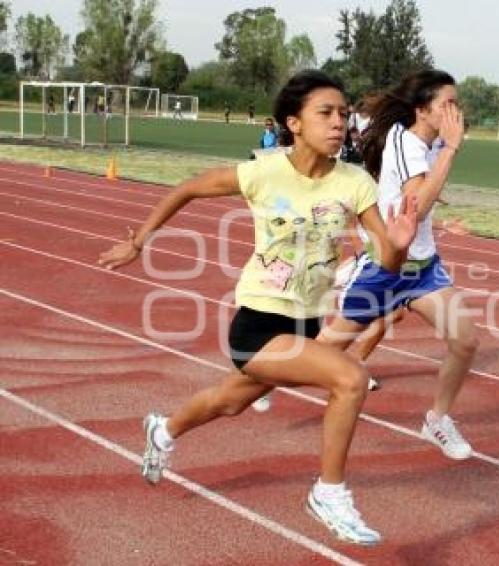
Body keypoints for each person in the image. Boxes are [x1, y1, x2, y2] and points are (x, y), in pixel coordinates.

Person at [97, 70, 421, 545]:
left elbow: (388, 259)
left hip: (305, 322)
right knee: (350, 379)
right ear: (294, 122)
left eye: (344, 113)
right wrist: (140, 241)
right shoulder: (263, 172)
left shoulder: (355, 183)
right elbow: (189, 187)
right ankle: (328, 493)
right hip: (259, 325)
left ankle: (162, 430)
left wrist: (398, 245)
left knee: (231, 402)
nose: (340, 122)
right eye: (326, 113)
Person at [319, 69, 479, 461]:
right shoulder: (409, 143)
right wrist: (451, 149)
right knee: (324, 348)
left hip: (423, 269)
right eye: (448, 104)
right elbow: (417, 204)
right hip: (386, 269)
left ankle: (436, 420)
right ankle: (260, 376)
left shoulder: (422, 139)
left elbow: (417, 201)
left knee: (465, 340)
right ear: (422, 109)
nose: (455, 111)